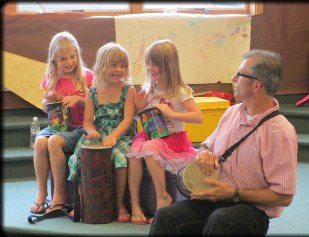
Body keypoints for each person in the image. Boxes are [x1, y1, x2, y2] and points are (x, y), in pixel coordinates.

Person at [149, 49, 298, 236]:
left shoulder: (280, 132)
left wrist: (234, 193)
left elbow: (284, 196)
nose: (234, 78)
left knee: (220, 219)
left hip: (251, 211)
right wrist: (204, 154)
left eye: (240, 74)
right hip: (215, 201)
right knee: (166, 215)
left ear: (257, 85)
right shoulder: (232, 113)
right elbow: (206, 146)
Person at [127, 39, 203, 224]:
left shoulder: (179, 91)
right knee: (135, 154)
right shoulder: (150, 89)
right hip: (150, 135)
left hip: (173, 138)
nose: (149, 67)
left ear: (168, 65)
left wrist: (172, 113)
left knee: (150, 148)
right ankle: (135, 203)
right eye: (148, 63)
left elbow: (198, 116)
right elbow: (137, 113)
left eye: (154, 64)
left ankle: (163, 197)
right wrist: (138, 100)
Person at [67, 42, 137, 223]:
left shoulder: (128, 90)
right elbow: (88, 122)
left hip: (121, 134)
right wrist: (91, 133)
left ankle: (118, 203)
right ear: (102, 66)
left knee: (120, 159)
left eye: (123, 66)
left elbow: (128, 119)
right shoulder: (92, 92)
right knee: (80, 157)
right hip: (98, 133)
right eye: (114, 65)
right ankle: (84, 202)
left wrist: (113, 136)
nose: (119, 69)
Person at [30, 31, 93, 214]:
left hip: (78, 128)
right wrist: (48, 100)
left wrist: (79, 100)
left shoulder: (87, 76)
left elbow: (96, 106)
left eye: (72, 56)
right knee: (40, 142)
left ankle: (59, 194)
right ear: (54, 61)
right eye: (63, 58)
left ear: (77, 55)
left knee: (53, 141)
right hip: (56, 126)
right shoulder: (51, 77)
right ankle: (42, 193)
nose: (69, 62)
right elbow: (44, 106)